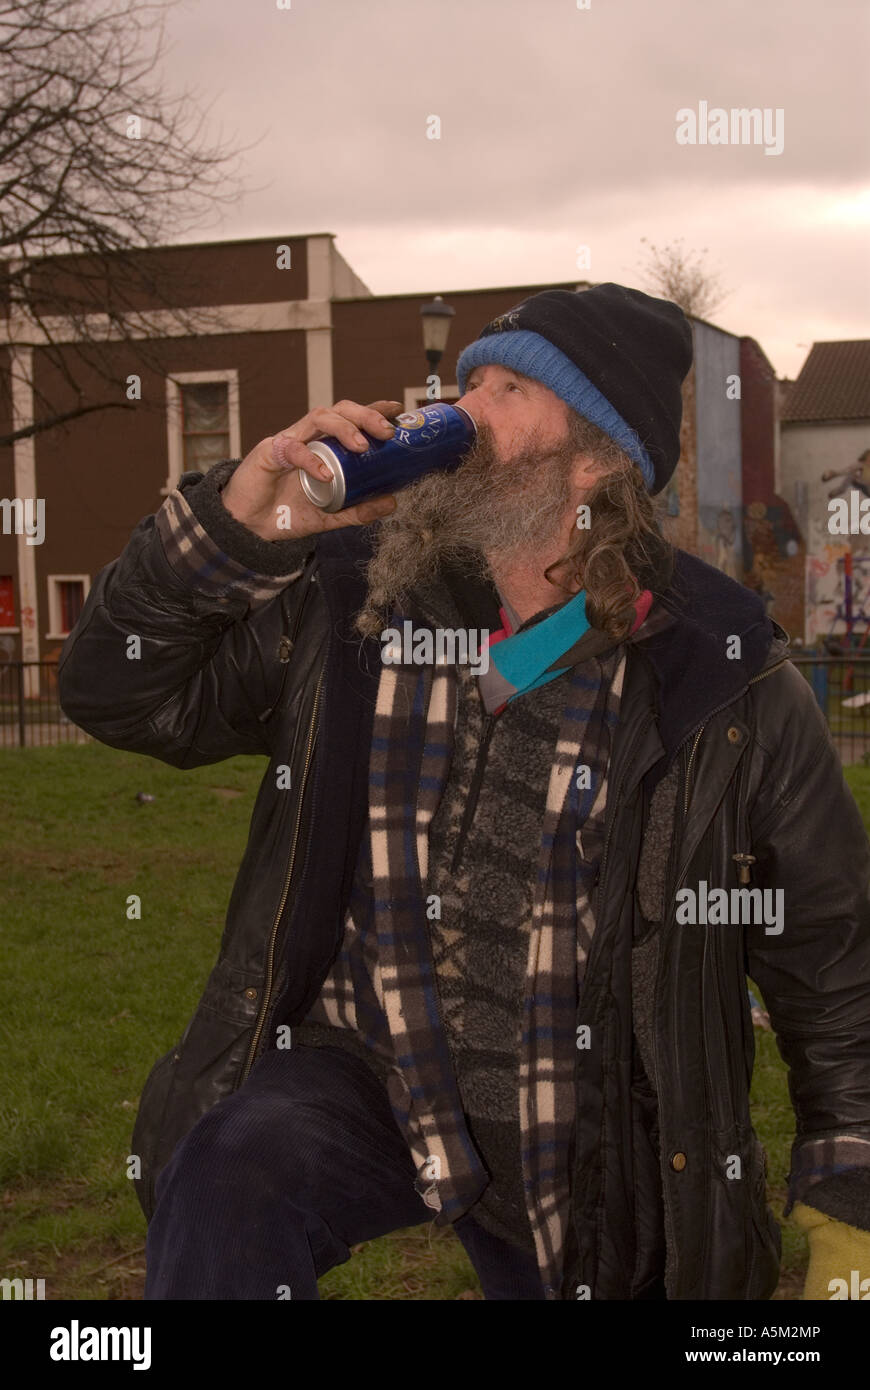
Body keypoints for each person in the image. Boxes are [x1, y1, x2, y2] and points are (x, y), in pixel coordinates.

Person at [58, 284, 870, 1301]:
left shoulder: (722, 678)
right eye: (468, 380)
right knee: (235, 1174)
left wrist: (847, 1191)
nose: (464, 410)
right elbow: (117, 695)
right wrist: (244, 523)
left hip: (583, 1125)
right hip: (372, 1067)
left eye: (511, 387)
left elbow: (831, 958)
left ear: (599, 458)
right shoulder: (359, 603)